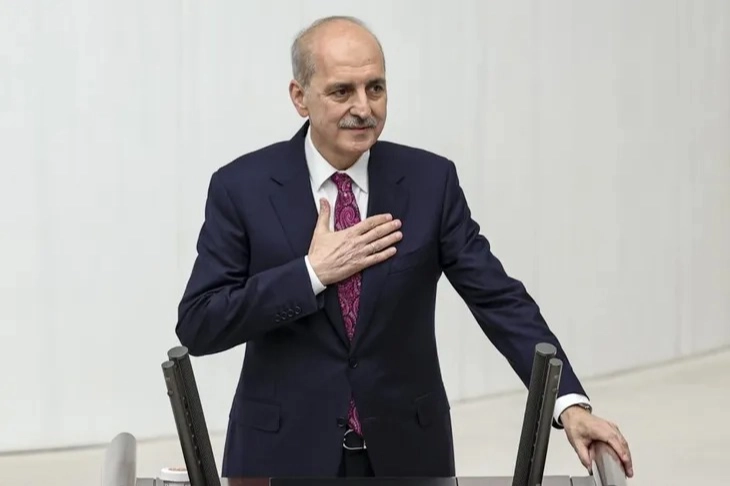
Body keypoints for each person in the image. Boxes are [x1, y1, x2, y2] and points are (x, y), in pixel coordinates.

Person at [176, 15, 634, 480]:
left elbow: (499, 299)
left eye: (375, 88)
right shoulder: (242, 188)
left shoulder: (430, 182)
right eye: (342, 91)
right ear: (300, 97)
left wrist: (568, 404)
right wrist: (311, 274)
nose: (363, 108)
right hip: (281, 457)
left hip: (408, 455)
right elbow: (199, 323)